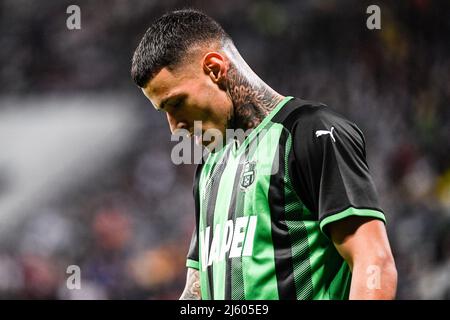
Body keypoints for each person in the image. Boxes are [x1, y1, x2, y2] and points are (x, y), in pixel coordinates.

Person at [131, 9, 397, 300]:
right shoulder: (209, 167)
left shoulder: (310, 133)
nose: (174, 128)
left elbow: (374, 263)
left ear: (215, 68)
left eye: (177, 103)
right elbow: (197, 291)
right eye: (164, 112)